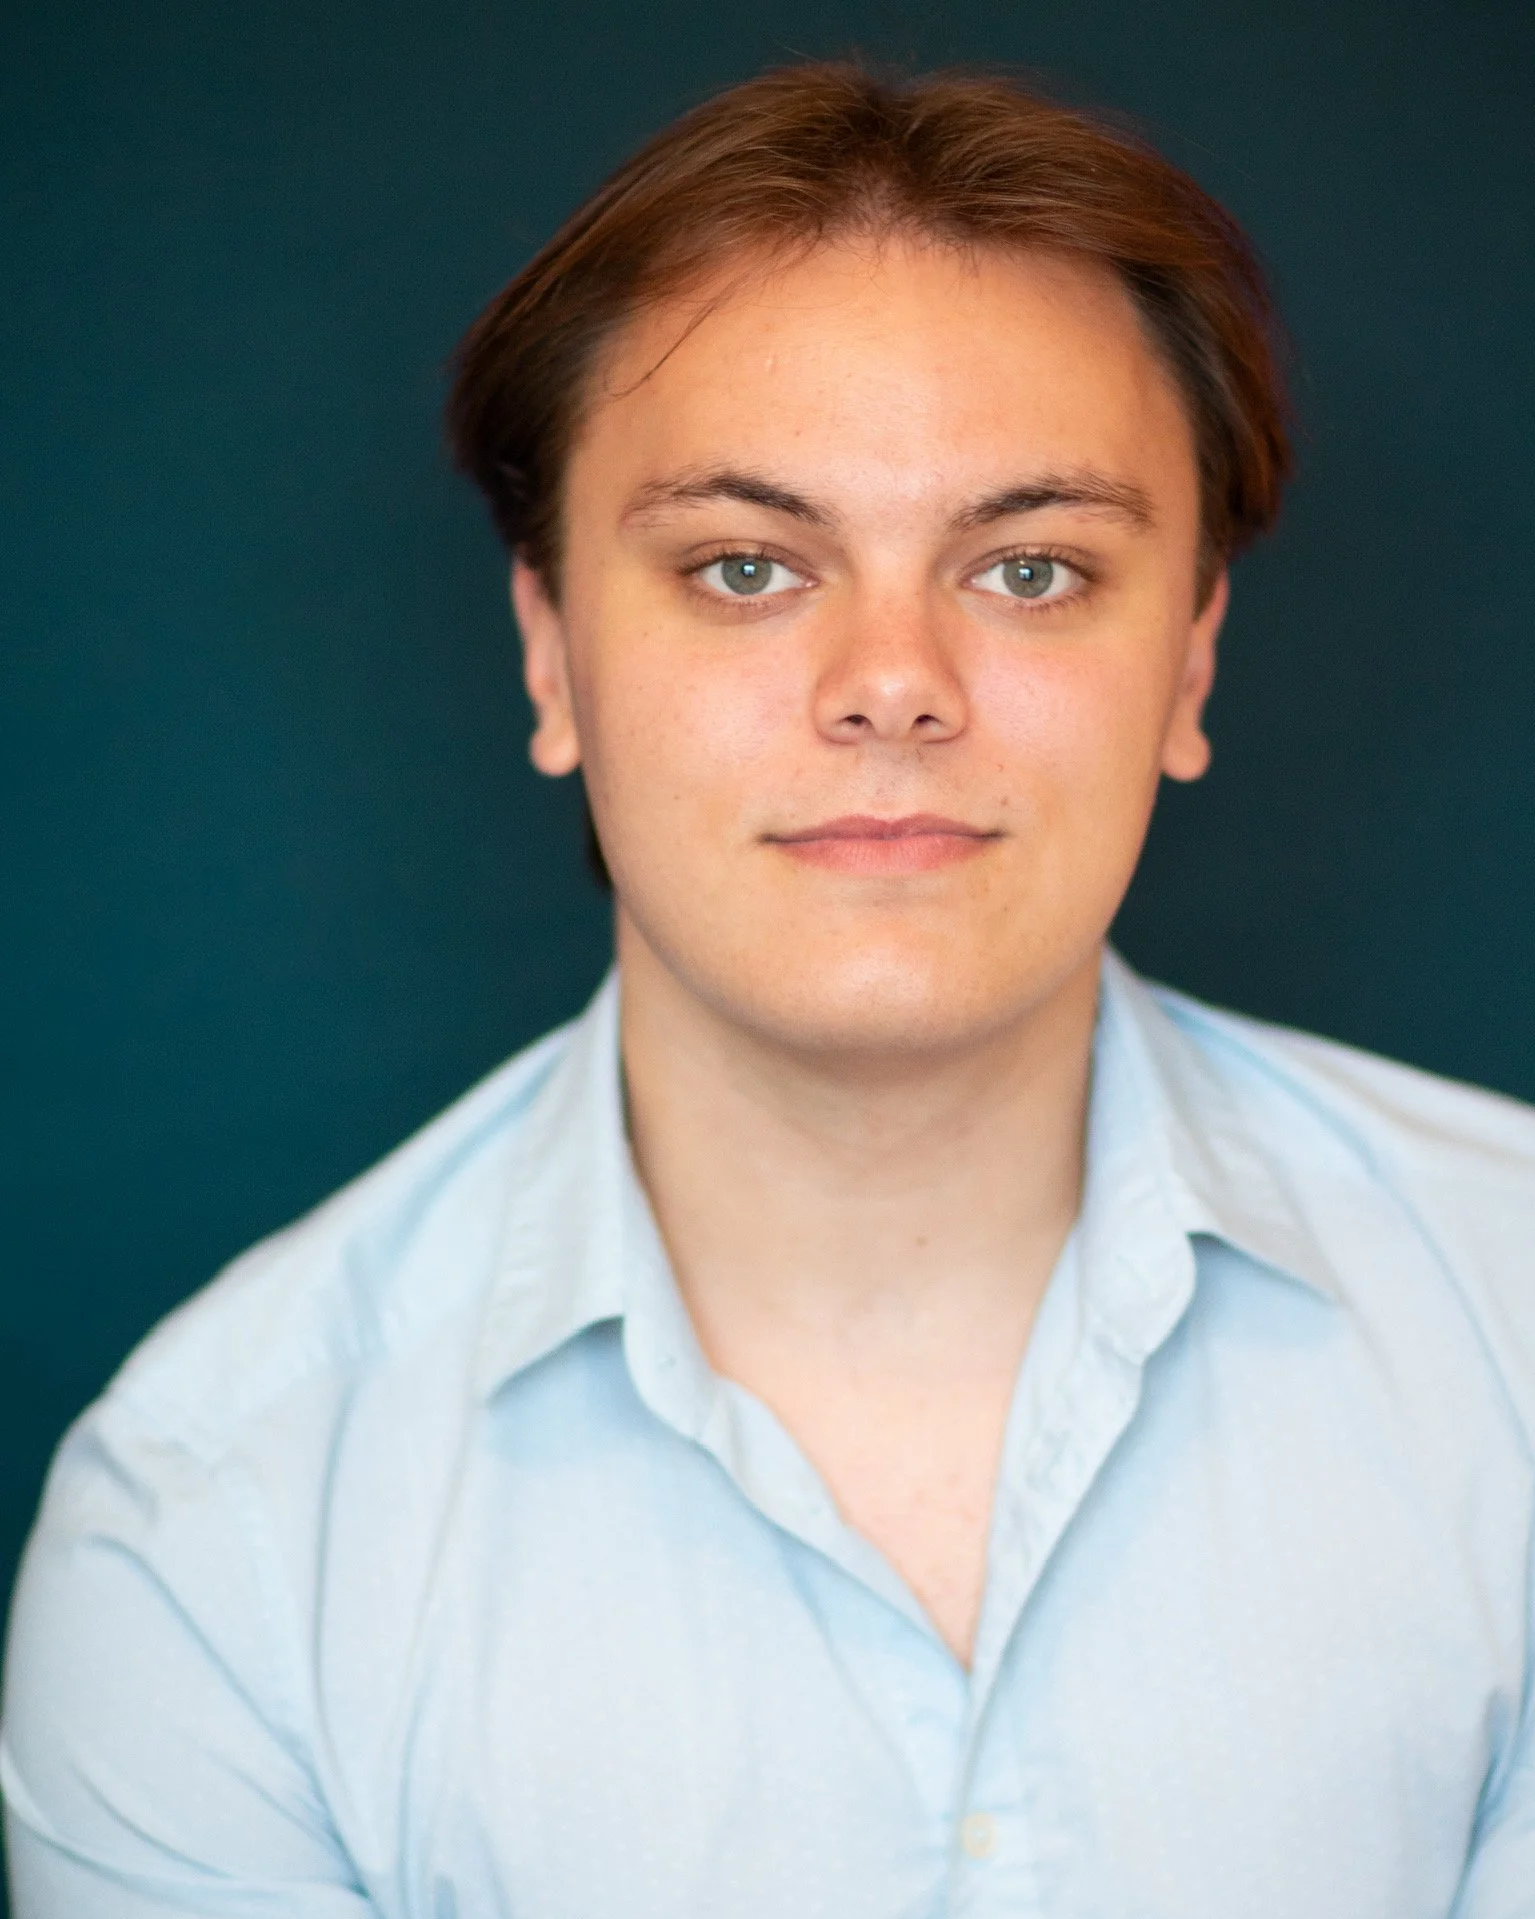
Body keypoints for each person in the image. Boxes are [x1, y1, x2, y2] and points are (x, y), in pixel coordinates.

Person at [3, 60, 1532, 1919]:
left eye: (1031, 568)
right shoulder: (215, 1521)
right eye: (744, 566)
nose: (891, 682)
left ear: (1190, 662)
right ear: (551, 649)